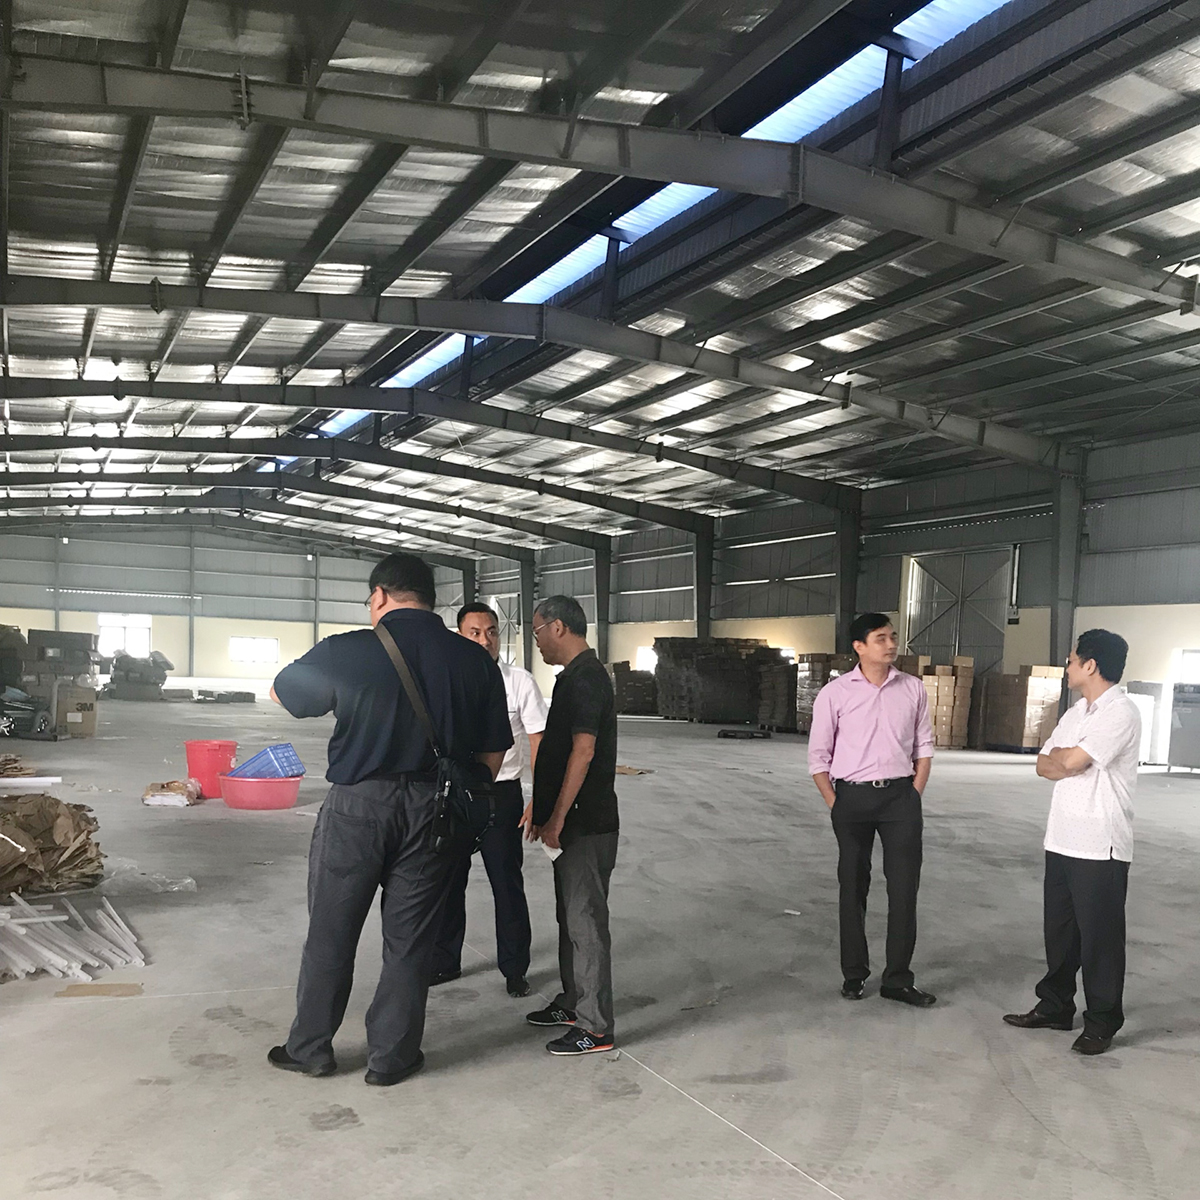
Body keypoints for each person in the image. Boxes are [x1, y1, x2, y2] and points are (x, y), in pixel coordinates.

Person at [265, 553, 512, 1085]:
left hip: (357, 807)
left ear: (379, 596)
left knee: (331, 930)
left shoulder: (348, 649)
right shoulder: (474, 660)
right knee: (411, 940)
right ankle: (391, 1057)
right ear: (431, 600)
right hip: (436, 812)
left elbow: (283, 693)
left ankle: (310, 1047)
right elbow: (494, 752)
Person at [1004, 629, 1140, 1056]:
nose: (1066, 668)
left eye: (1070, 661)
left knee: (1100, 939)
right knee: (1060, 934)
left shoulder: (1120, 712)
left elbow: (1074, 760)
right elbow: (1044, 764)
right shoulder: (1077, 712)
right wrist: (1066, 760)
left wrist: (1067, 758)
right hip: (1062, 838)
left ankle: (1102, 1021)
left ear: (1090, 665)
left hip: (1101, 844)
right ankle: (1056, 1006)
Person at [808, 613, 936, 1007]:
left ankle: (898, 979)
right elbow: (818, 756)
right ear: (859, 647)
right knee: (853, 886)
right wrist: (836, 802)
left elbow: (924, 746)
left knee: (904, 889)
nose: (891, 644)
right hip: (852, 799)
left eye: (893, 637)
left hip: (900, 799)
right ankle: (854, 974)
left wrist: (913, 794)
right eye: (881, 638)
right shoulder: (835, 694)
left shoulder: (912, 688)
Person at [431, 602, 547, 997]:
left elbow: (538, 741)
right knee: (449, 880)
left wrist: (538, 797)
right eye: (475, 633)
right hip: (456, 795)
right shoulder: (447, 681)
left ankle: (515, 969)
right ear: (459, 636)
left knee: (506, 883)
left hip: (502, 795)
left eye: (492, 632)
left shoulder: (519, 682)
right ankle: (445, 961)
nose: (485, 640)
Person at [524, 595, 619, 1056]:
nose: (537, 641)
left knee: (585, 922)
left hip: (585, 824)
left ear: (558, 627)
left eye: (537, 631)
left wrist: (559, 816)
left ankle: (596, 1027)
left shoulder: (586, 679)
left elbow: (583, 751)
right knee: (570, 916)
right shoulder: (573, 678)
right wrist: (539, 805)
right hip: (572, 822)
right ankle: (573, 1000)